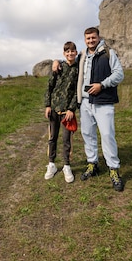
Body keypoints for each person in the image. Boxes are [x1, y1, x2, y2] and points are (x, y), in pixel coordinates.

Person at [57, 27, 125, 191]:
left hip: (103, 101)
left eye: (93, 38)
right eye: (88, 39)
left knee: (108, 135)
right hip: (85, 103)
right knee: (88, 135)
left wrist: (102, 85)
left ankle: (113, 169)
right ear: (85, 39)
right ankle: (92, 164)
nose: (90, 41)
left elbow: (119, 74)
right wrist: (56, 62)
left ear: (98, 37)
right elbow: (69, 64)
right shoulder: (81, 56)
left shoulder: (108, 53)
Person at [43, 41, 79, 183]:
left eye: (72, 51)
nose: (70, 54)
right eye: (67, 52)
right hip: (53, 109)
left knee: (66, 140)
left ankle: (66, 165)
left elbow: (77, 92)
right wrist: (47, 105)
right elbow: (49, 87)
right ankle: (51, 164)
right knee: (52, 138)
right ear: (64, 54)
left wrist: (71, 108)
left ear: (76, 52)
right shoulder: (58, 67)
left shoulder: (78, 69)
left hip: (67, 113)